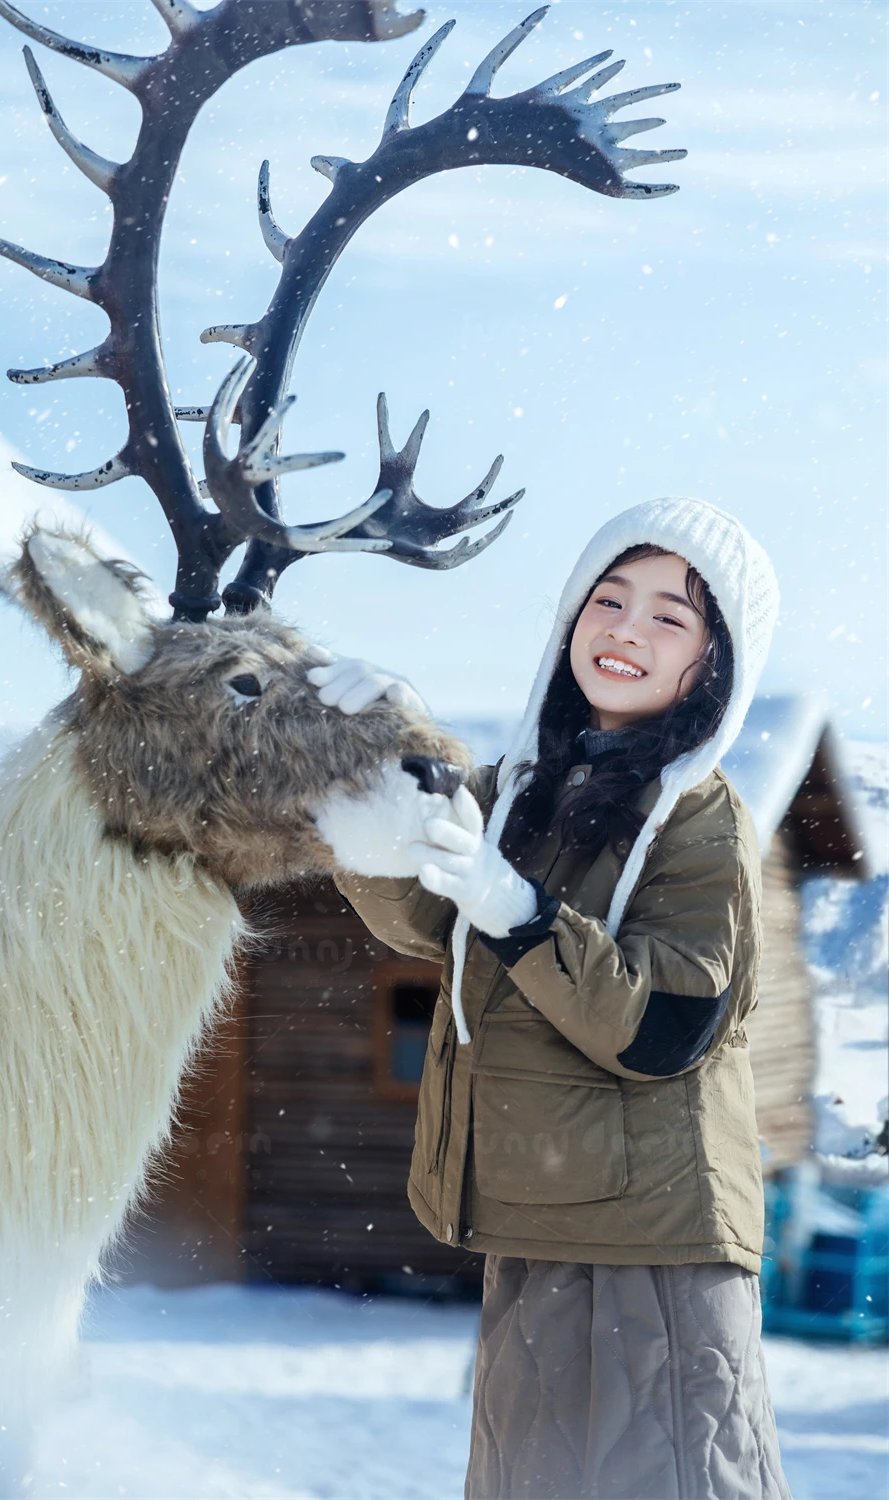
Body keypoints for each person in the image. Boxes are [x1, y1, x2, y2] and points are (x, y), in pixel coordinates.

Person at [308, 497, 792, 1500]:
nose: (624, 628)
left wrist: (519, 913)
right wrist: (373, 768)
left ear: (714, 665)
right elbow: (430, 913)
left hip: (651, 1239)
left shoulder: (700, 818)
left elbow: (665, 1026)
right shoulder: (526, 792)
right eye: (608, 599)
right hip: (538, 1218)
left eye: (670, 616)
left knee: (667, 1482)